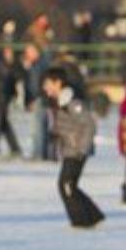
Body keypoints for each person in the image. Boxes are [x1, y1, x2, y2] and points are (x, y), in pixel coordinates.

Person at [42, 67, 103, 228]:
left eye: (48, 83)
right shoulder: (60, 103)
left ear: (58, 83)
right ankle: (93, 216)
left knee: (66, 185)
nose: (45, 87)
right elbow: (67, 126)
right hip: (70, 149)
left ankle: (81, 221)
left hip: (76, 151)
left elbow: (88, 125)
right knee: (68, 185)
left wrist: (81, 149)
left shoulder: (72, 103)